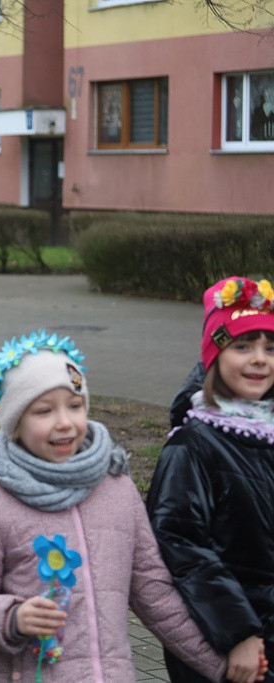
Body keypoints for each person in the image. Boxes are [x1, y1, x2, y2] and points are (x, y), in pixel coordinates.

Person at [0, 330, 235, 683]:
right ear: (15, 424)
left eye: (75, 406)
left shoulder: (117, 489)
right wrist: (11, 617)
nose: (64, 422)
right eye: (44, 411)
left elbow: (157, 597)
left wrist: (223, 668)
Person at [147, 276, 274, 683]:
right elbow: (180, 544)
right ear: (213, 356)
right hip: (227, 639)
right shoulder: (192, 445)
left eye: (270, 348)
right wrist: (239, 632)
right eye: (243, 346)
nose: (260, 359)